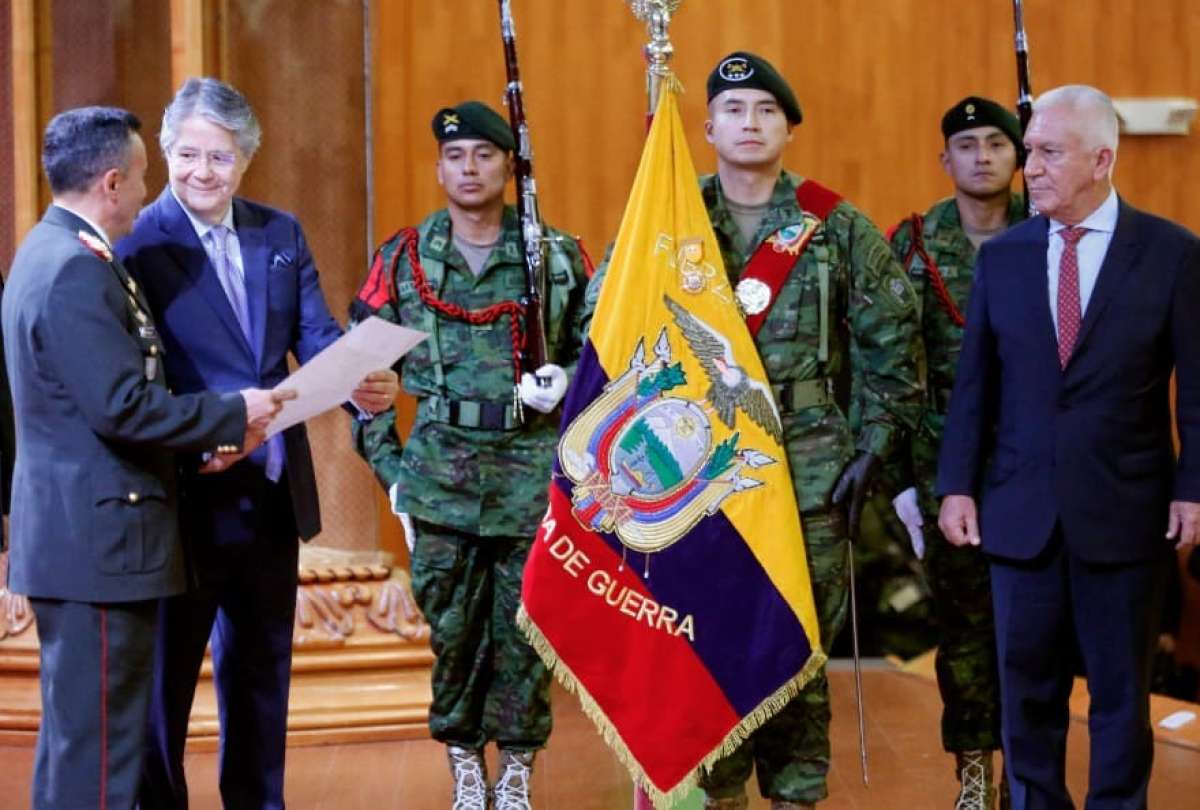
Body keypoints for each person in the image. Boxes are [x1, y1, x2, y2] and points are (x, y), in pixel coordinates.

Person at [583, 52, 924, 810]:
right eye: (734, 109)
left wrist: (873, 443)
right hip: (694, 475)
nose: (749, 123)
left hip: (808, 473)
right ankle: (721, 793)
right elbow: (602, 321)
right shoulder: (667, 220)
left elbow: (893, 342)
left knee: (795, 650)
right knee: (709, 647)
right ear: (705, 127)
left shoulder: (833, 227)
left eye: (766, 110)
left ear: (789, 128)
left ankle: (797, 796)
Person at [117, 78, 399, 810]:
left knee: (262, 677)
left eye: (221, 156)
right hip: (183, 494)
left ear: (246, 160)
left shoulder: (281, 233)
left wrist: (364, 383)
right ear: (165, 152)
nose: (202, 172)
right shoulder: (138, 244)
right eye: (187, 154)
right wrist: (211, 433)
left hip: (271, 492)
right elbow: (135, 381)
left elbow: (318, 341)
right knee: (165, 687)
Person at [2, 105, 287, 810]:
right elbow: (122, 406)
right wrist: (233, 413)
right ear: (109, 182)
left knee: (82, 747)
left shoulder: (53, 251)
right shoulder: (74, 269)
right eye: (141, 174)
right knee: (102, 757)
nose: (147, 188)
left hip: (85, 540)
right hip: (101, 547)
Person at [937, 85, 1200, 810]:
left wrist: (1194, 487)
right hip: (1017, 513)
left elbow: (1199, 390)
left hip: (1126, 511)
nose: (1032, 169)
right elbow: (974, 386)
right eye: (1031, 153)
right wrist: (956, 484)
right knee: (1027, 694)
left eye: (1049, 153)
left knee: (1120, 696)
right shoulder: (1005, 258)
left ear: (1102, 159)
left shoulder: (1174, 255)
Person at [349, 100, 591, 810]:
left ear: (509, 167)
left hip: (529, 472)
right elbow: (357, 378)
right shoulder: (402, 258)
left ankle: (516, 768)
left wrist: (570, 383)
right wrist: (391, 471)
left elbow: (606, 357)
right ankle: (463, 759)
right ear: (439, 167)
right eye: (455, 156)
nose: (469, 168)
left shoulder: (556, 254)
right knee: (452, 631)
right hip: (439, 476)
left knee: (525, 630)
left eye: (485, 155)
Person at [887, 95, 1026, 810]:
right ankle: (973, 771)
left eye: (996, 144)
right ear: (945, 160)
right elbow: (888, 366)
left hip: (1036, 464)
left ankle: (1026, 776)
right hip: (949, 470)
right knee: (965, 628)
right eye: (966, 145)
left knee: (1035, 627)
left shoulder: (1053, 235)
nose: (981, 156)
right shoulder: (911, 245)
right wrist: (905, 480)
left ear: (1020, 155)